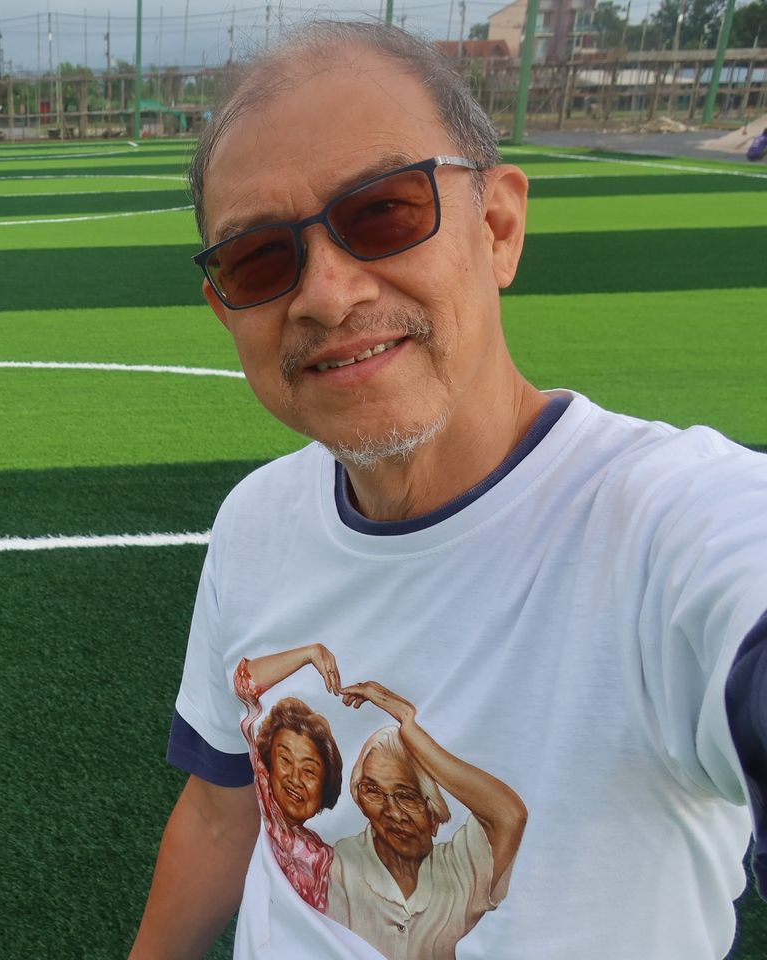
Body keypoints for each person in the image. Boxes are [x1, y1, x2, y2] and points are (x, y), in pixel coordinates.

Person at [129, 18, 767, 960]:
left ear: (499, 228)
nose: (327, 294)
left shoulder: (670, 526)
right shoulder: (256, 520)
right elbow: (226, 812)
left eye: (384, 212)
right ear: (226, 308)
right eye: (258, 259)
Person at [327, 684, 526, 960]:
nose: (393, 813)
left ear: (434, 815)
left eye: (407, 797)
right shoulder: (340, 862)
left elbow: (509, 815)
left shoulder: (460, 869)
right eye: (373, 792)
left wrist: (410, 727)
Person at [234, 645, 346, 911]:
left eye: (309, 771)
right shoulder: (267, 792)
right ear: (268, 764)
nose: (295, 779)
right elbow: (245, 681)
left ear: (326, 786)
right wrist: (308, 654)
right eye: (285, 760)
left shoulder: (324, 858)